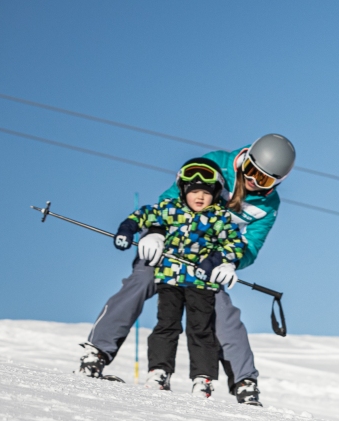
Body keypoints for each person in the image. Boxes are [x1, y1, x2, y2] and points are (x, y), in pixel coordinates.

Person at [78, 133, 295, 405]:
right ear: (245, 159)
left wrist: (231, 262)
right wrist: (154, 232)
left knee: (222, 311)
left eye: (263, 179)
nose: (252, 181)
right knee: (141, 280)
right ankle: (97, 353)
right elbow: (171, 200)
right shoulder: (216, 164)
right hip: (168, 250)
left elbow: (251, 244)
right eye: (251, 171)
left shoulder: (267, 206)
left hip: (206, 262)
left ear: (277, 183)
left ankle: (245, 382)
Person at [117, 158, 245, 397]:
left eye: (206, 193)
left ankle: (203, 378)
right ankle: (159, 371)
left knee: (201, 330)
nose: (199, 197)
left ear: (216, 194)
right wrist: (127, 230)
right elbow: (143, 215)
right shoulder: (170, 209)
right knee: (166, 326)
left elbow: (235, 245)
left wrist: (214, 261)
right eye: (194, 191)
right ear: (184, 191)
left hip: (201, 283)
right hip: (170, 280)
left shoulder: (220, 218)